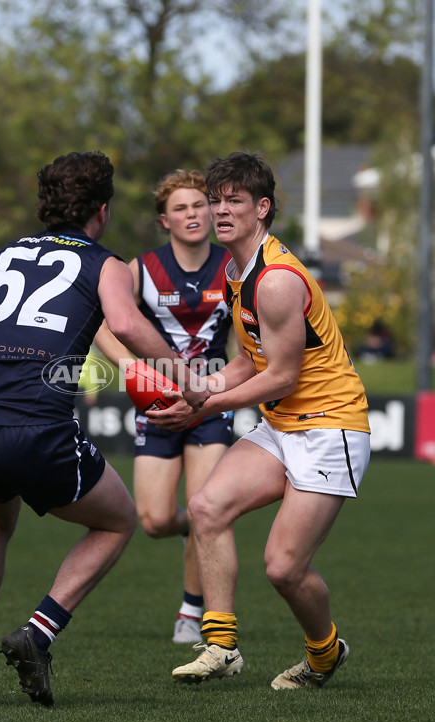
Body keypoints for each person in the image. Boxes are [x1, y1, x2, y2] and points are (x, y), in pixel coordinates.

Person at [0, 151, 204, 705]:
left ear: (45, 204)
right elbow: (123, 323)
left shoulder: (2, 255)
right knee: (118, 521)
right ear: (102, 208)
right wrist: (184, 374)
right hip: (36, 426)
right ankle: (38, 632)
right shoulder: (106, 263)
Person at [149, 152, 371, 690]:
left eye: (234, 201)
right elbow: (252, 359)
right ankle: (221, 645)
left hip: (329, 426)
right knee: (206, 506)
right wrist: (204, 385)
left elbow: (283, 377)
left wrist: (205, 404)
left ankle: (324, 653)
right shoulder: (234, 270)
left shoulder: (274, 280)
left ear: (262, 209)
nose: (220, 211)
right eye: (215, 200)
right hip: (283, 424)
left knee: (284, 567)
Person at [94, 169, 233, 644]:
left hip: (212, 400)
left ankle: (192, 612)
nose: (193, 214)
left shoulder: (234, 266)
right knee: (153, 520)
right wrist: (133, 369)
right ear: (164, 219)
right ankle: (192, 532)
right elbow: (103, 324)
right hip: (156, 401)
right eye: (181, 208)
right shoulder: (139, 268)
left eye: (200, 205)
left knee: (203, 508)